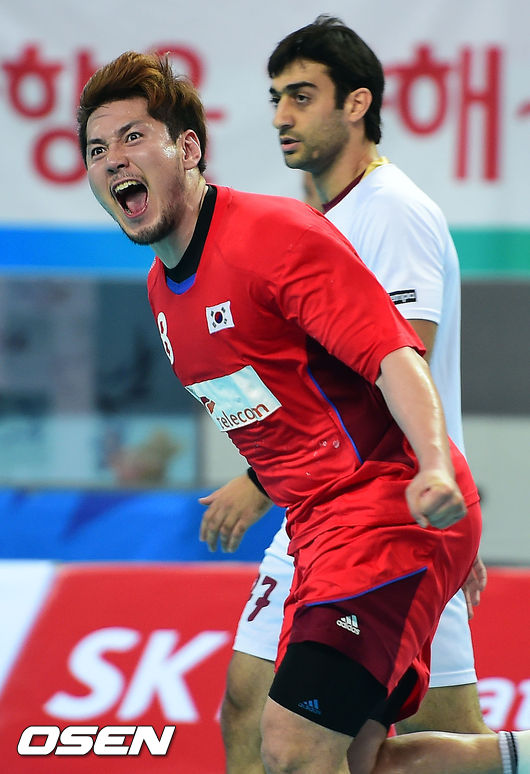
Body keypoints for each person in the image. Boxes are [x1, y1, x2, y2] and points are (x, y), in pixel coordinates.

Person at [77, 49, 529, 774]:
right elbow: (267, 409)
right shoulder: (163, 292)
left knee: (290, 746)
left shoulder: (274, 235)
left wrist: (436, 470)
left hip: (386, 510)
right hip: (316, 530)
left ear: (187, 149)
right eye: (97, 149)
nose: (113, 159)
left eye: (134, 137)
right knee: (353, 758)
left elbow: (395, 354)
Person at [198, 16, 492, 774]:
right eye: (275, 97)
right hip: (326, 507)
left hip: (394, 506)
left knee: (418, 730)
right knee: (255, 706)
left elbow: (398, 359)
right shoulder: (323, 220)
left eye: (302, 96)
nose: (281, 116)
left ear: (356, 103)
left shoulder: (390, 210)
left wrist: (259, 482)